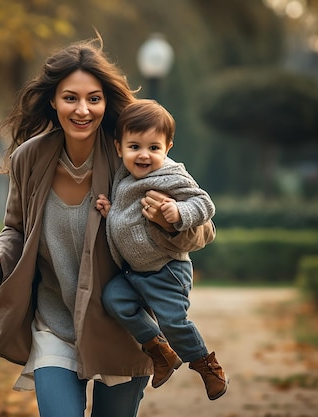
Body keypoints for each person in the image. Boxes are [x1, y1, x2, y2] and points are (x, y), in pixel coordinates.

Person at [0, 36, 216, 417]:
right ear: (53, 100)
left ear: (106, 104)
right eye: (70, 97)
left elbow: (201, 229)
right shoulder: (30, 158)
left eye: (94, 98)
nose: (82, 109)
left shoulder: (131, 155)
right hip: (53, 324)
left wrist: (170, 221)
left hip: (119, 325)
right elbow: (15, 230)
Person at [95, 99, 228, 401]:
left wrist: (179, 213)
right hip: (135, 273)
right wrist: (111, 212)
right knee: (113, 299)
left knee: (174, 322)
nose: (144, 155)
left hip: (167, 271)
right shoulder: (124, 176)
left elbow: (205, 204)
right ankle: (160, 350)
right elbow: (131, 216)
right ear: (119, 147)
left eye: (153, 148)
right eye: (135, 147)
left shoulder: (171, 176)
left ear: (167, 147)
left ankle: (206, 365)